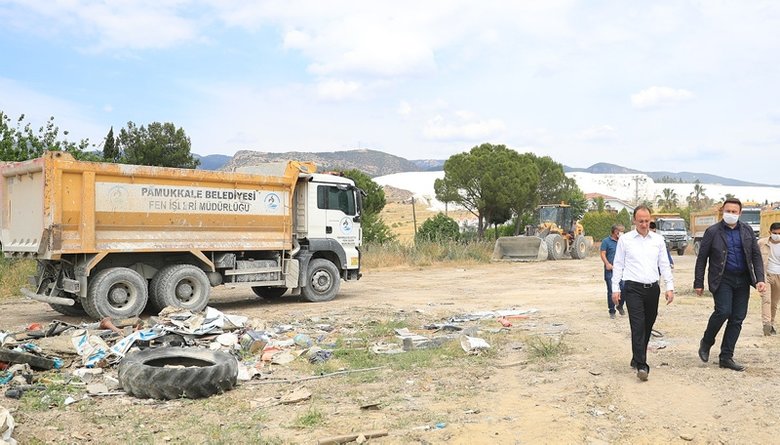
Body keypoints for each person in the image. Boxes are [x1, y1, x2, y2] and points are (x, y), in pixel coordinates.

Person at [695, 198, 766, 371]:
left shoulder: (747, 230)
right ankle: (707, 341)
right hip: (722, 279)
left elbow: (756, 255)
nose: (731, 214)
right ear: (722, 211)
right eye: (728, 211)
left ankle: (726, 357)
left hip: (743, 279)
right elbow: (702, 258)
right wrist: (698, 282)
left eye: (734, 212)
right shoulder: (712, 232)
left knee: (737, 318)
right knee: (723, 311)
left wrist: (760, 279)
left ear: (740, 213)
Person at [612, 206, 674, 381]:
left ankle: (636, 356)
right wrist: (615, 288)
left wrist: (669, 286)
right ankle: (642, 365)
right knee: (637, 325)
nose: (644, 224)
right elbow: (618, 264)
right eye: (641, 221)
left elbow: (664, 264)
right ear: (634, 221)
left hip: (653, 288)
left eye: (647, 221)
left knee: (648, 324)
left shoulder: (658, 240)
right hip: (633, 288)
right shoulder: (625, 240)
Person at [758, 222, 780, 336]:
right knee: (766, 300)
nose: (777, 236)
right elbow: (755, 258)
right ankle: (766, 325)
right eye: (775, 233)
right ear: (770, 232)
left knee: (774, 303)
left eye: (779, 233)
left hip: (778, 276)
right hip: (766, 275)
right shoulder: (762, 243)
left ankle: (771, 324)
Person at [600, 224, 626, 319]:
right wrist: (607, 263)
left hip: (622, 270)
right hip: (610, 270)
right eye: (621, 231)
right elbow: (603, 253)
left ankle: (620, 305)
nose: (623, 233)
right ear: (615, 232)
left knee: (624, 289)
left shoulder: (623, 242)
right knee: (611, 290)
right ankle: (612, 310)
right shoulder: (606, 241)